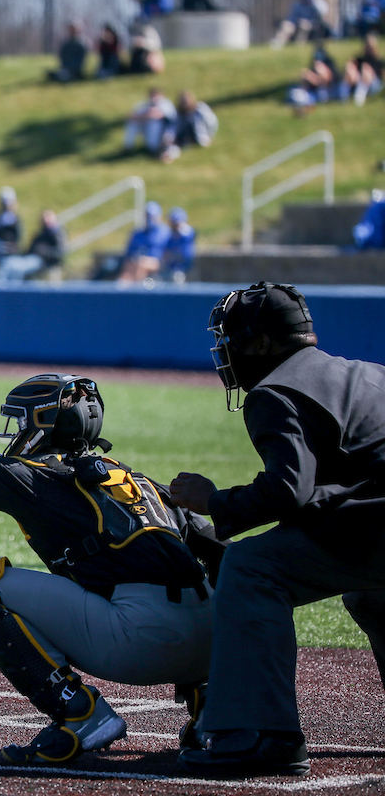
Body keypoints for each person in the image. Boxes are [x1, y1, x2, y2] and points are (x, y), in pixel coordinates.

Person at [0, 373, 221, 765]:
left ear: (40, 422)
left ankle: (81, 714)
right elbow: (222, 556)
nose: (14, 431)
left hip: (143, 643)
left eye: (20, 420)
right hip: (216, 647)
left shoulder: (37, 473)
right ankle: (212, 709)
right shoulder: (139, 480)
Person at [169, 282, 385, 778]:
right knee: (373, 596)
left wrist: (214, 501)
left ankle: (261, 734)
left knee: (250, 568)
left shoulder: (276, 391)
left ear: (262, 342)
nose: (226, 351)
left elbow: (289, 490)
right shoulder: (368, 374)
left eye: (232, 338)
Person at [0, 209, 66, 282]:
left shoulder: (57, 233)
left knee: (17, 268)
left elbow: (60, 251)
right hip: (30, 257)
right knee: (8, 262)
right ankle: (1, 288)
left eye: (48, 218)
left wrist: (44, 252)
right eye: (44, 218)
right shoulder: (42, 233)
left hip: (41, 261)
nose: (45, 220)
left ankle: (13, 290)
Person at [115, 201, 172, 283]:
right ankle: (120, 290)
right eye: (147, 216)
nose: (149, 219)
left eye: (151, 216)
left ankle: (137, 291)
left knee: (142, 265)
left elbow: (170, 251)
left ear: (159, 216)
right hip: (136, 262)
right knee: (127, 273)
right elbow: (129, 253)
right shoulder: (138, 233)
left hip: (158, 263)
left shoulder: (165, 232)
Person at [160, 91, 219, 163]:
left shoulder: (200, 109)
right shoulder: (178, 113)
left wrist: (209, 134)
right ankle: (168, 156)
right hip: (183, 136)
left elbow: (211, 122)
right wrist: (168, 137)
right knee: (175, 147)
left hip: (199, 135)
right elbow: (173, 127)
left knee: (202, 142)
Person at [123, 87, 177, 157]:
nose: (154, 98)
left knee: (153, 123)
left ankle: (153, 149)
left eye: (156, 96)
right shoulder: (145, 104)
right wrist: (144, 116)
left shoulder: (165, 103)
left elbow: (158, 115)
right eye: (152, 96)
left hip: (166, 130)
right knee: (132, 124)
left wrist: (144, 116)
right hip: (146, 127)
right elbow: (131, 115)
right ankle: (128, 147)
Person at [341, 32, 381, 106]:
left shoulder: (378, 60)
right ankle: (343, 97)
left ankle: (359, 98)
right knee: (350, 69)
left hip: (374, 84)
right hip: (359, 81)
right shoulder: (360, 59)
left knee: (366, 70)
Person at [163, 207, 196, 283]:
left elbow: (188, 234)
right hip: (169, 268)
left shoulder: (187, 234)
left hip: (182, 270)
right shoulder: (170, 237)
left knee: (177, 277)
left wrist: (181, 227)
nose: (174, 226)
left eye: (175, 224)